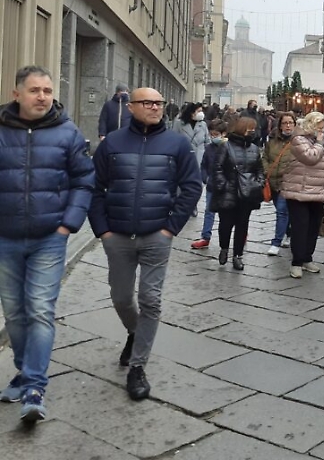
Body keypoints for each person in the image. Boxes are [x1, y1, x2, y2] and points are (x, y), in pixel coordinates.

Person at [89, 87, 202, 401]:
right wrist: (103, 231)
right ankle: (135, 334)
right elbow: (94, 188)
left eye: (159, 103)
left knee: (150, 299)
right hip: (118, 236)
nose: (155, 107)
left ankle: (138, 366)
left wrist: (170, 229)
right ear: (132, 106)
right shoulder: (112, 143)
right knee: (122, 298)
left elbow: (192, 187)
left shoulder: (176, 144)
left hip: (156, 236)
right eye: (148, 102)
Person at [0, 66, 94, 423]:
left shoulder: (67, 133)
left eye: (48, 90)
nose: (42, 96)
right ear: (17, 94)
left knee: (39, 308)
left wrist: (68, 224)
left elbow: (84, 181)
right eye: (35, 90)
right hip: (5, 236)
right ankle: (25, 371)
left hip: (48, 239)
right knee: (14, 312)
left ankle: (35, 387)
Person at [209, 117, 265, 270]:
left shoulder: (254, 148)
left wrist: (259, 182)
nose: (252, 131)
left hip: (246, 194)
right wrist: (224, 185)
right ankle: (224, 248)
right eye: (249, 128)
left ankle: (238, 255)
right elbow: (217, 167)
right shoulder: (226, 147)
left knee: (242, 225)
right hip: (229, 192)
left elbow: (259, 168)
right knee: (225, 224)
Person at [281, 111, 324, 278]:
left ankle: (307, 258)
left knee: (313, 227)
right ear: (311, 125)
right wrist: (320, 143)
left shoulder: (318, 141)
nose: (322, 131)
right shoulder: (298, 139)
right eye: (320, 127)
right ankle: (296, 262)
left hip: (317, 191)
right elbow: (311, 158)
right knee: (300, 227)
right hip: (298, 191)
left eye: (323, 127)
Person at [262, 112, 297, 255]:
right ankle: (289, 233)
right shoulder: (272, 140)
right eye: (285, 123)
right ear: (280, 125)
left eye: (290, 123)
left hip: (288, 182)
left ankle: (276, 242)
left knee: (282, 212)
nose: (288, 126)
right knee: (282, 211)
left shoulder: (298, 141)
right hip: (273, 181)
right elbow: (265, 157)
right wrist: (266, 171)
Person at [190, 120, 228, 250]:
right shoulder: (209, 148)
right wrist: (205, 178)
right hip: (212, 185)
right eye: (211, 134)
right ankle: (205, 236)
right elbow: (204, 165)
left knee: (227, 213)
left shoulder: (229, 148)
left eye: (216, 134)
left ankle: (234, 235)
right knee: (209, 211)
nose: (213, 137)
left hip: (226, 187)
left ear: (223, 134)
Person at [174, 102, 209, 166]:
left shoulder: (203, 124)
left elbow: (207, 142)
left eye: (202, 111)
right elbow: (174, 141)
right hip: (184, 158)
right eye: (199, 111)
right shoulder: (179, 124)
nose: (201, 113)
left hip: (200, 159)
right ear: (192, 113)